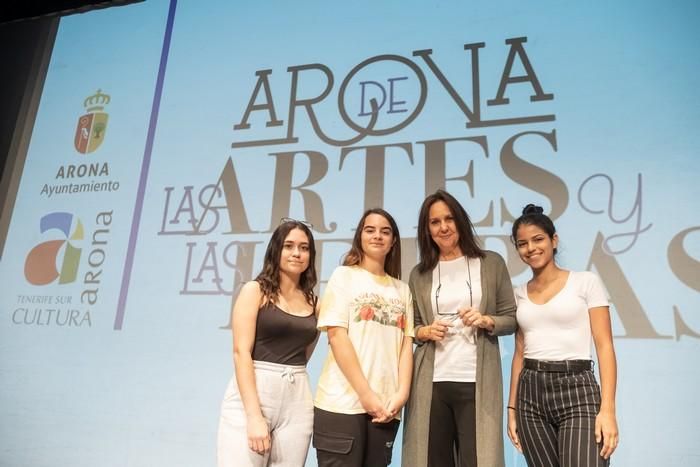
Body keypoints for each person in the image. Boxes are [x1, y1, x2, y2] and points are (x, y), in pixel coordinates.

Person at [402, 189, 517, 467]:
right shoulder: (419, 273)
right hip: (431, 383)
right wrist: (425, 332)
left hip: (476, 382)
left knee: (478, 459)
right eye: (435, 222)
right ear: (427, 230)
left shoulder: (491, 263)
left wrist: (487, 320)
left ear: (461, 221)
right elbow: (412, 327)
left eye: (449, 219)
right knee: (432, 460)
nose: (443, 227)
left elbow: (511, 318)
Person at [506, 204, 619, 467]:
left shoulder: (585, 282)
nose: (530, 248)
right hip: (530, 396)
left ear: (553, 240)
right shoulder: (518, 294)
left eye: (538, 239)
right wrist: (511, 410)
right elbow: (520, 354)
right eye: (522, 243)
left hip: (577, 389)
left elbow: (605, 346)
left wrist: (608, 410)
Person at [313, 208, 415, 467]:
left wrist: (401, 394)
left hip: (387, 408)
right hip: (342, 404)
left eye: (385, 231)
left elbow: (406, 344)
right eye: (370, 230)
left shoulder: (402, 290)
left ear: (393, 241)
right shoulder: (343, 276)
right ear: (360, 237)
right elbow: (337, 337)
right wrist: (366, 394)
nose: (378, 236)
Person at [217, 219, 319, 467]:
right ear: (276, 250)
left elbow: (305, 354)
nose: (297, 253)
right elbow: (241, 353)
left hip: (297, 396)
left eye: (304, 248)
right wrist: (254, 416)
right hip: (254, 393)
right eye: (289, 246)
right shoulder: (255, 291)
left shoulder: (314, 302)